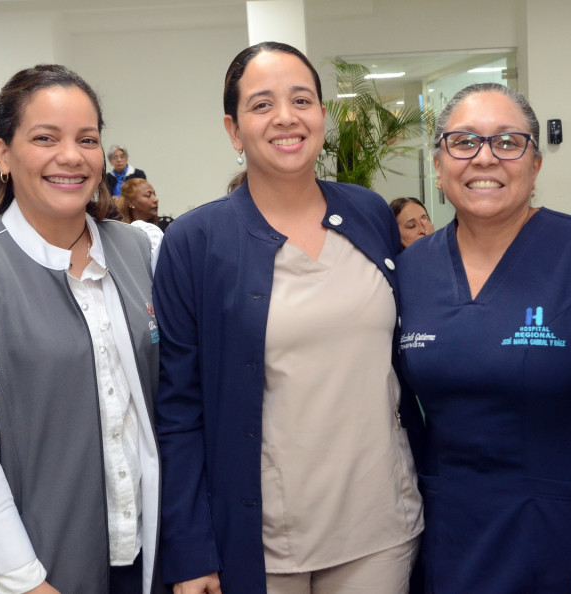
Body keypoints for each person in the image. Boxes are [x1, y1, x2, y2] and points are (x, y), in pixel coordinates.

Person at [154, 42, 423, 594]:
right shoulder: (195, 242)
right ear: (233, 129)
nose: (286, 117)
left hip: (382, 525)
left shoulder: (370, 213)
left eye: (301, 99)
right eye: (261, 105)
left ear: (323, 115)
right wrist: (190, 551)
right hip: (265, 542)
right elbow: (179, 409)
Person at [395, 82, 571, 593]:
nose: (485, 158)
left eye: (508, 142)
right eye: (464, 142)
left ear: (535, 165)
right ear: (439, 167)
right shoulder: (410, 271)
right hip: (454, 541)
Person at [0, 64, 166, 594]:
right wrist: (25, 580)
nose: (71, 156)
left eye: (87, 139)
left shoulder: (140, 249)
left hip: (147, 554)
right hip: (39, 565)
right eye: (45, 138)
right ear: (3, 155)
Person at [118, 177, 163, 269]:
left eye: (155, 194)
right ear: (131, 202)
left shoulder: (167, 226)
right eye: (148, 195)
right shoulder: (120, 233)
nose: (155, 199)